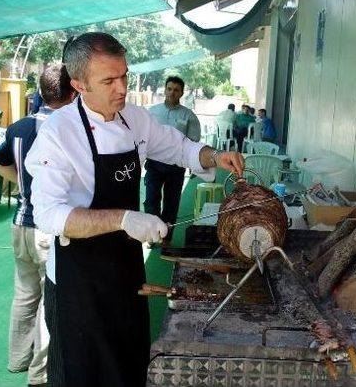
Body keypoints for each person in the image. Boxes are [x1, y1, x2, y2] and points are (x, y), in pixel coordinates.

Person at [24, 32, 244, 387]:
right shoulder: (58, 134)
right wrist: (124, 218)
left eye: (124, 76)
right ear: (79, 84)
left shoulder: (134, 119)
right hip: (78, 281)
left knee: (128, 366)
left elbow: (179, 149)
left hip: (126, 271)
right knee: (82, 376)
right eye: (108, 81)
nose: (121, 88)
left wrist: (214, 156)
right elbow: (49, 214)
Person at [0, 65, 77, 387]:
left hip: (19, 224)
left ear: (40, 92)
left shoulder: (18, 127)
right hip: (47, 228)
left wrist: (22, 185)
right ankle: (39, 374)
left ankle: (17, 360)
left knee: (25, 295)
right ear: (73, 93)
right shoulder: (68, 128)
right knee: (48, 299)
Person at [144, 76, 200, 242]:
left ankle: (166, 237)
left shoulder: (188, 115)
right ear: (165, 90)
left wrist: (193, 164)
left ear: (181, 93)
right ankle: (152, 236)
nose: (172, 93)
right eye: (169, 89)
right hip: (154, 163)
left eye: (176, 90)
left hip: (176, 165)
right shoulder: (152, 112)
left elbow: (194, 140)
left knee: (171, 203)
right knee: (151, 200)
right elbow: (143, 135)